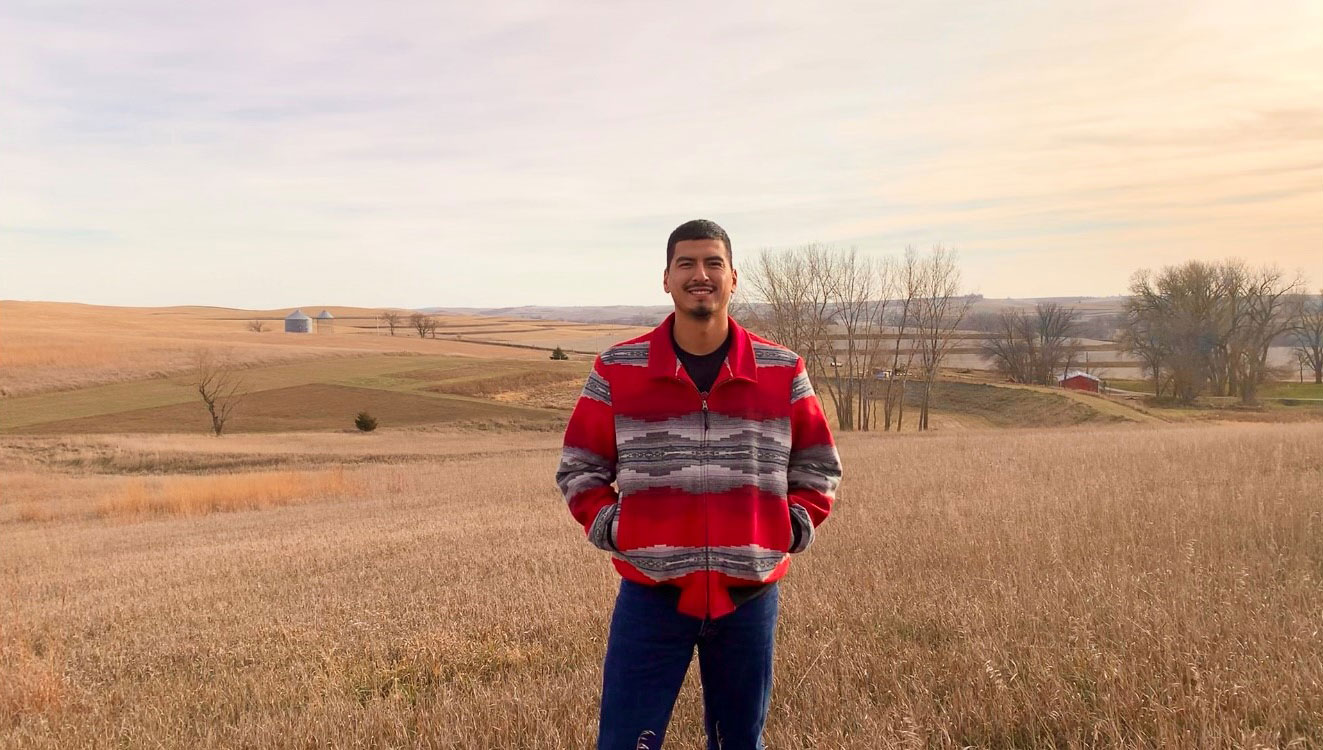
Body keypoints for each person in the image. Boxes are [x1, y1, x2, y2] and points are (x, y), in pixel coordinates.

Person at [555, 219, 843, 749]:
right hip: (650, 596)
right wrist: (618, 528)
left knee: (739, 744)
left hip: (749, 597)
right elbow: (580, 469)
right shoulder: (619, 369)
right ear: (666, 278)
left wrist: (789, 527)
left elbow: (818, 466)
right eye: (686, 263)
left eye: (713, 263)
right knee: (623, 743)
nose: (700, 274)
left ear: (734, 277)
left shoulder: (782, 370)